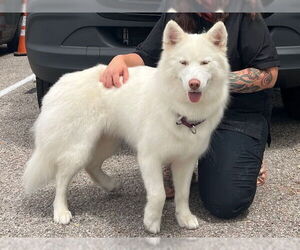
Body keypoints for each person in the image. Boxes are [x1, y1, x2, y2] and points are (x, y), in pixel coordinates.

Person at [100, 12, 279, 219]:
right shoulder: (178, 14)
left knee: (226, 203)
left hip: (236, 114)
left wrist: (210, 79)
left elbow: (269, 75)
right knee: (159, 116)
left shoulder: (246, 16)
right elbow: (145, 56)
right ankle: (175, 159)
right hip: (184, 115)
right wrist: (120, 59)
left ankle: (245, 155)